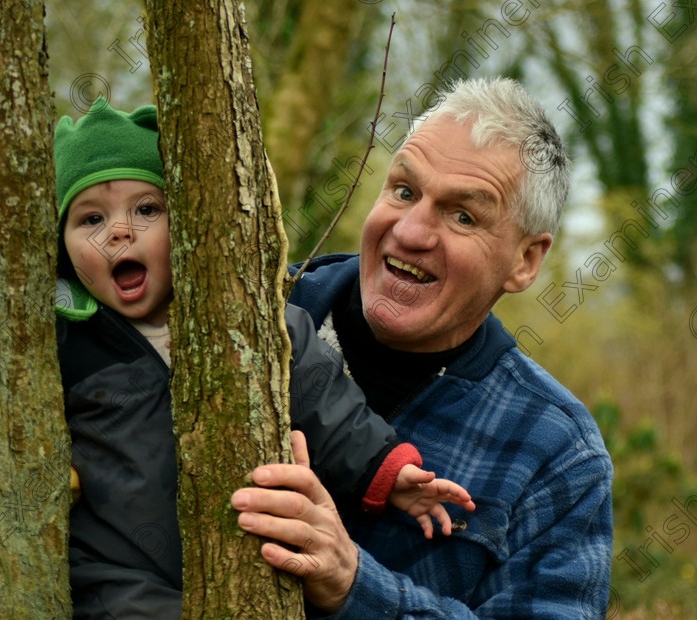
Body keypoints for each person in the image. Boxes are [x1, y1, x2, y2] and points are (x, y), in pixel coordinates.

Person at [53, 98, 475, 618]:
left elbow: (322, 394)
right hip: (122, 570)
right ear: (64, 249)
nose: (119, 232)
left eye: (147, 210)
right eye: (90, 218)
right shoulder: (68, 342)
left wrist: (385, 473)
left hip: (243, 553)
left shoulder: (240, 318)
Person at [231, 77, 614, 618]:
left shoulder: (556, 455)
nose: (410, 233)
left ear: (525, 260)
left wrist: (355, 585)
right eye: (405, 191)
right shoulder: (251, 315)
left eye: (463, 215)